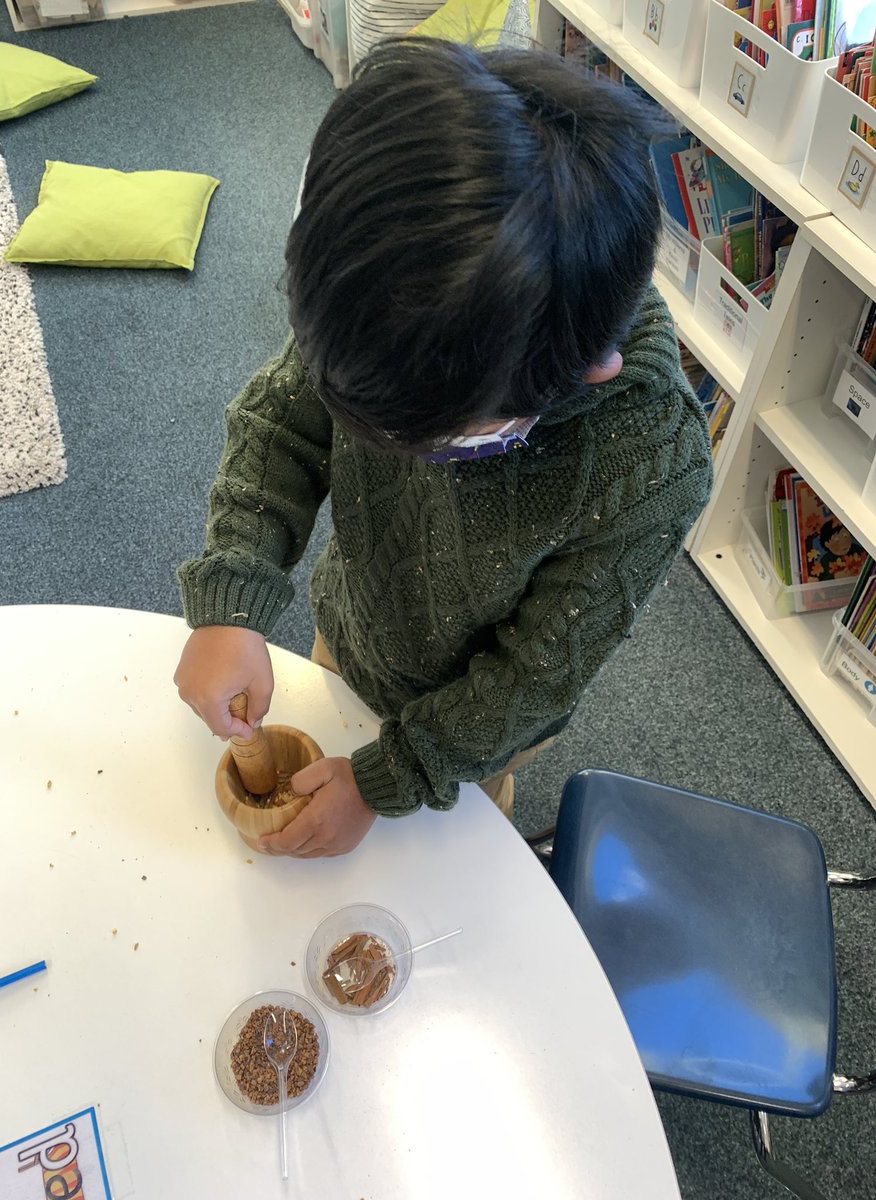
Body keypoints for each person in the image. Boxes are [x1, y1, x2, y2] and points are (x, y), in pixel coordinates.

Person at [174, 37, 714, 858]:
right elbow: (285, 420)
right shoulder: (390, 295)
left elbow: (531, 680)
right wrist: (236, 587)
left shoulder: (648, 465)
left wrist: (393, 776)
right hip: (358, 631)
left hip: (474, 725)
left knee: (454, 856)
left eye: (426, 440)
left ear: (591, 370)